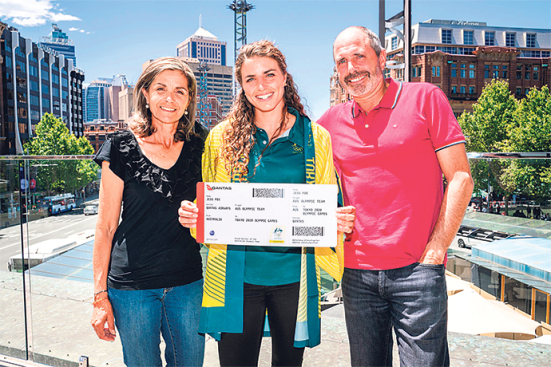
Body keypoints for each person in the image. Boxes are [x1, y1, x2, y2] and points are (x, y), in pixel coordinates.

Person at [178, 40, 355, 367]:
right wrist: (196, 217)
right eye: (250, 79)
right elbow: (209, 211)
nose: (261, 86)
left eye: (269, 75)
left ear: (285, 77)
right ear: (241, 86)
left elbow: (330, 204)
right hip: (236, 278)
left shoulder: (315, 138)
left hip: (293, 278)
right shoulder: (221, 138)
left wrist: (336, 221)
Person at [317, 27, 474, 366]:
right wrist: (327, 215)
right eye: (341, 61)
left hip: (418, 270)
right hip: (357, 273)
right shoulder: (329, 123)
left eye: (359, 56)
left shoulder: (426, 98)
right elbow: (304, 182)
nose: (351, 68)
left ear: (382, 58)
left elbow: (461, 177)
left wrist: (437, 248)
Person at [90, 57, 207, 367]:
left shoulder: (202, 144)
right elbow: (105, 227)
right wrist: (100, 297)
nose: (170, 98)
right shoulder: (119, 147)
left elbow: (221, 205)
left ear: (189, 99)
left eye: (180, 91)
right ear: (145, 93)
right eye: (161, 89)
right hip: (132, 289)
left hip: (188, 283)